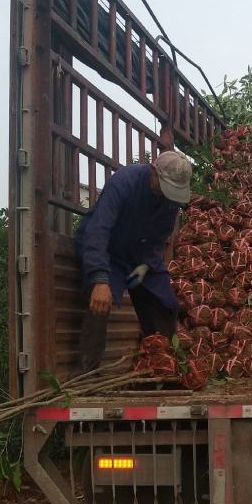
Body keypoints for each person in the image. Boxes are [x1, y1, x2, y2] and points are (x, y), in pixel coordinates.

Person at [75, 150, 193, 371]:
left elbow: (161, 236)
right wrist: (100, 279)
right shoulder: (124, 182)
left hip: (141, 255)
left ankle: (161, 367)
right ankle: (86, 372)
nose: (169, 194)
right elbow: (98, 231)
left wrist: (146, 264)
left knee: (165, 303)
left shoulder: (170, 200)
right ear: (153, 173)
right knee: (100, 302)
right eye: (165, 187)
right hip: (108, 252)